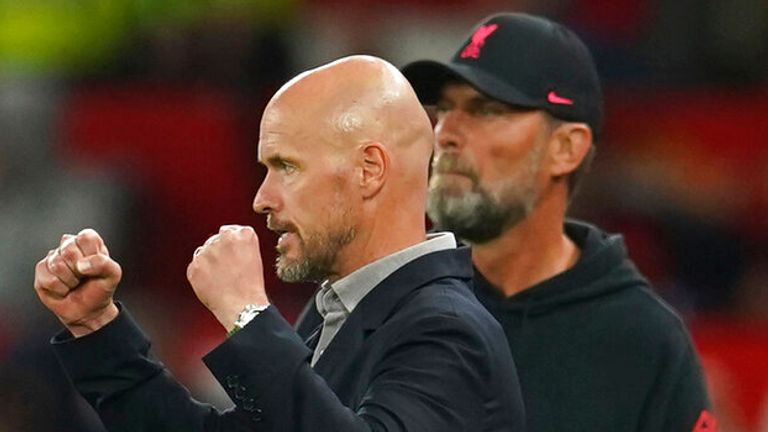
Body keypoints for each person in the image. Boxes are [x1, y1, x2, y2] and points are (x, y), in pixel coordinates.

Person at [33, 55, 525, 431]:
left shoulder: (445, 329)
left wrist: (248, 316)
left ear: (368, 170)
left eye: (285, 167)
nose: (261, 199)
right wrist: (97, 326)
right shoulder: (336, 314)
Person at [402, 13, 714, 432]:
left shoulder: (642, 341)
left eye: (486, 110)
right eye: (444, 109)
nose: (445, 133)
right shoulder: (384, 302)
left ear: (566, 148)